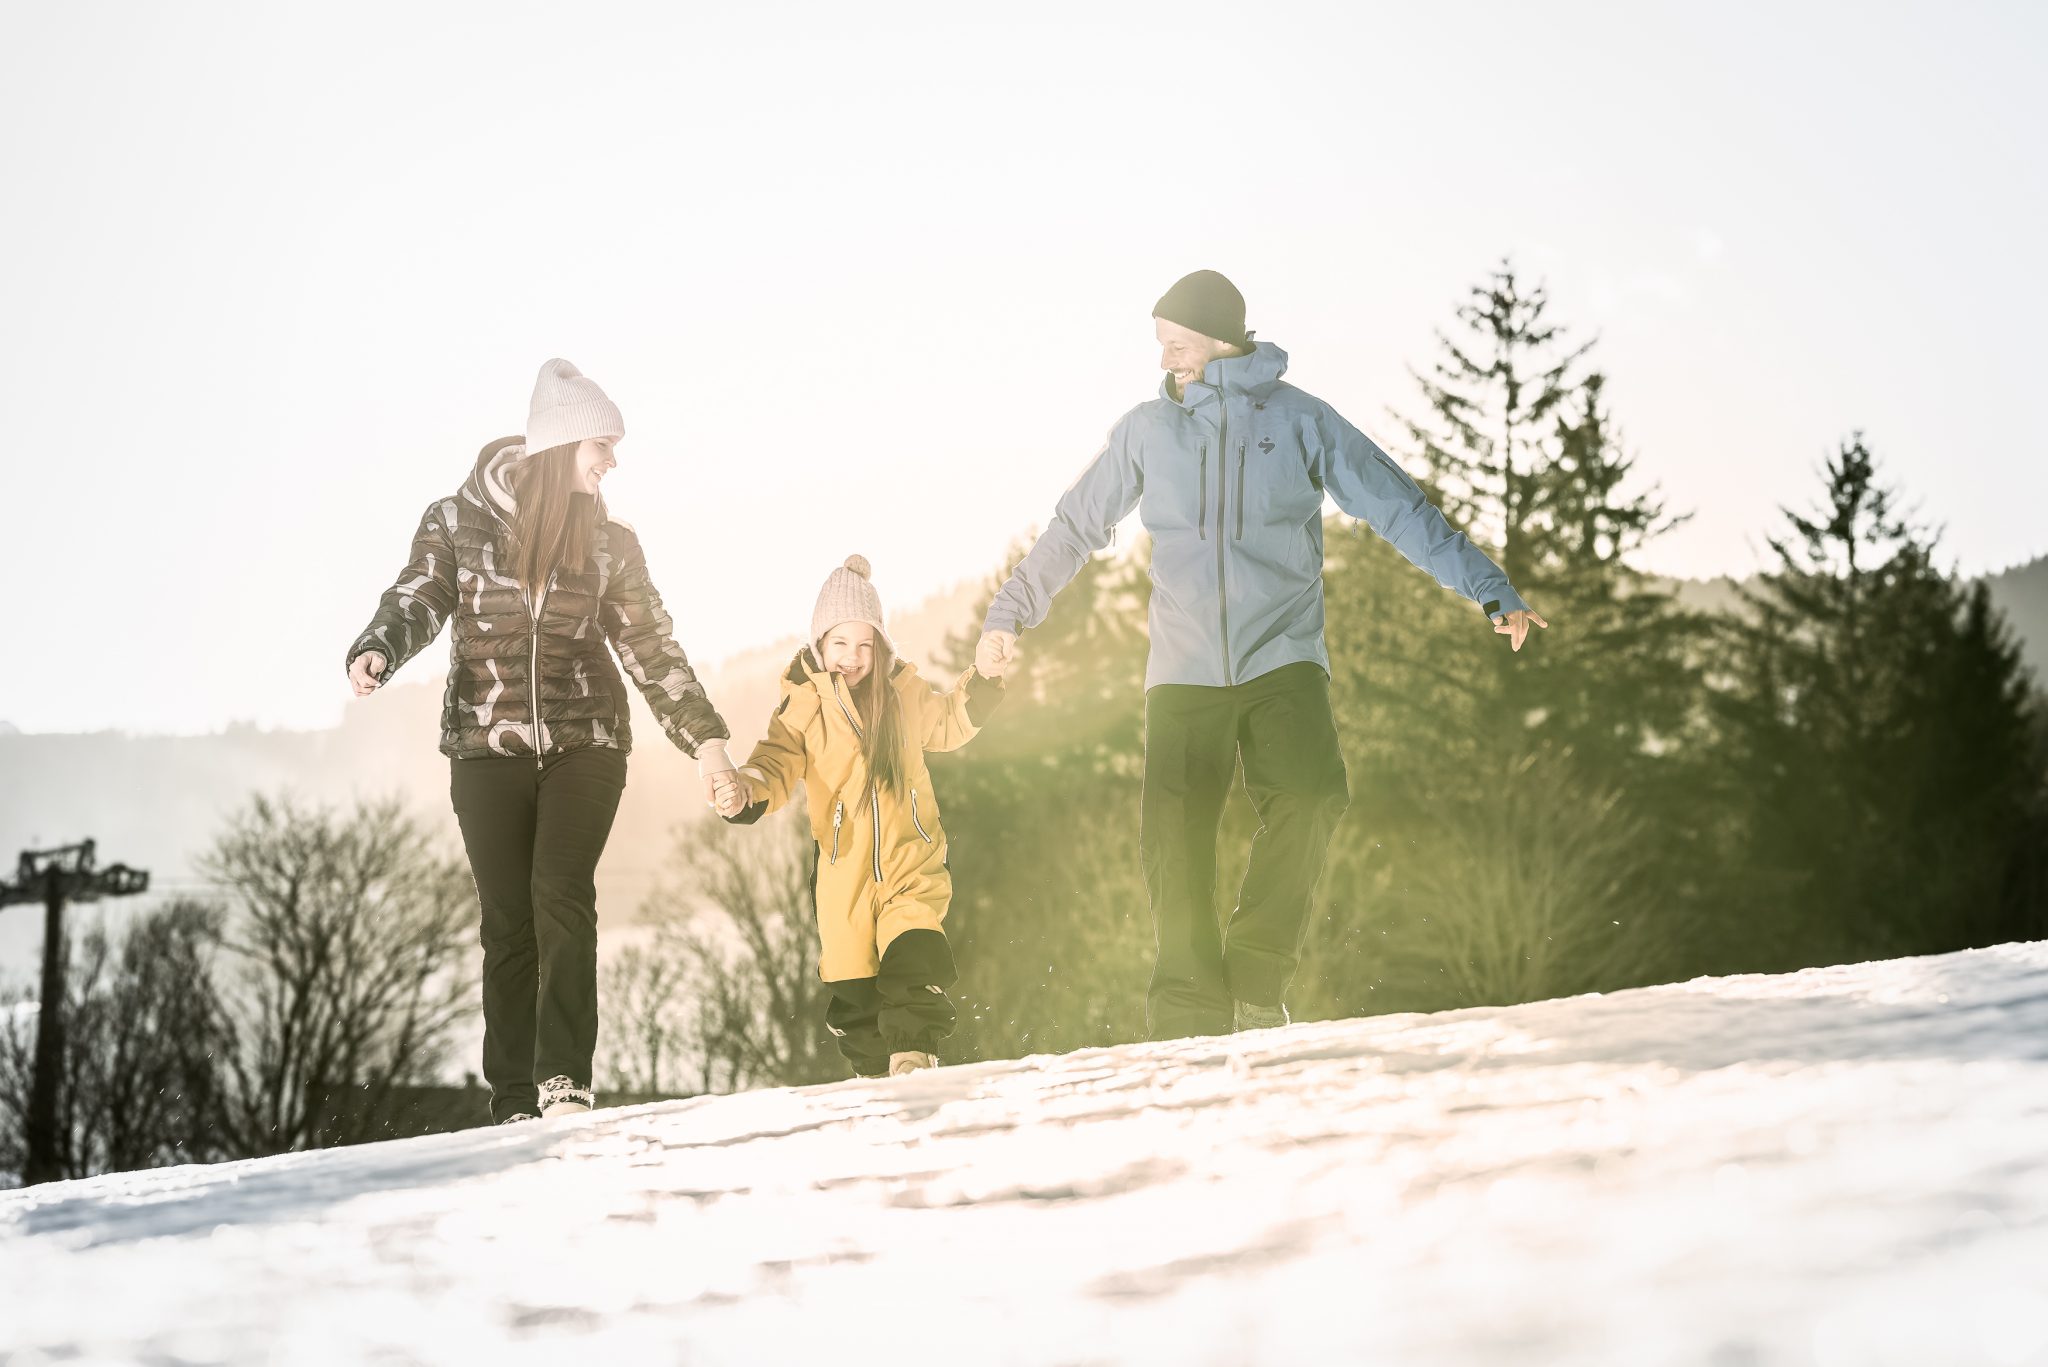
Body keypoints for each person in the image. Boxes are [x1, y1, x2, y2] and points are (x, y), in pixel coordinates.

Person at [975, 271, 1547, 1040]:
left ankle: (1255, 973)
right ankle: (1187, 1009)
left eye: (1178, 343)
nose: (1167, 359)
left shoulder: (1300, 418)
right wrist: (1011, 612)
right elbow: (1076, 525)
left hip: (1283, 655)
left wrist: (1488, 586)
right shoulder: (1149, 429)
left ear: (1219, 338)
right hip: (1183, 669)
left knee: (1311, 796)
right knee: (1173, 837)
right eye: (1162, 346)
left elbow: (1393, 502)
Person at [345, 358, 741, 1123]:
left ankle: (564, 1081)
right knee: (508, 920)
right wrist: (380, 647)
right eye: (604, 444)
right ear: (564, 443)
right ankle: (515, 1097)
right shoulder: (456, 520)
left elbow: (651, 647)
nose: (613, 461)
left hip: (584, 738)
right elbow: (420, 594)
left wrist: (708, 742)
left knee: (560, 891)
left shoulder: (611, 543)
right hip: (483, 746)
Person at [717, 555, 1006, 1076]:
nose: (851, 657)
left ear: (880, 647)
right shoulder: (802, 709)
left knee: (913, 966)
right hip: (842, 881)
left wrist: (983, 680)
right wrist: (744, 791)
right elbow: (774, 764)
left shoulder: (902, 696)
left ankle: (914, 1062)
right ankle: (877, 1084)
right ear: (819, 645)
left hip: (909, 864)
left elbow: (948, 723)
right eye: (839, 644)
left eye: (863, 645)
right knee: (857, 999)